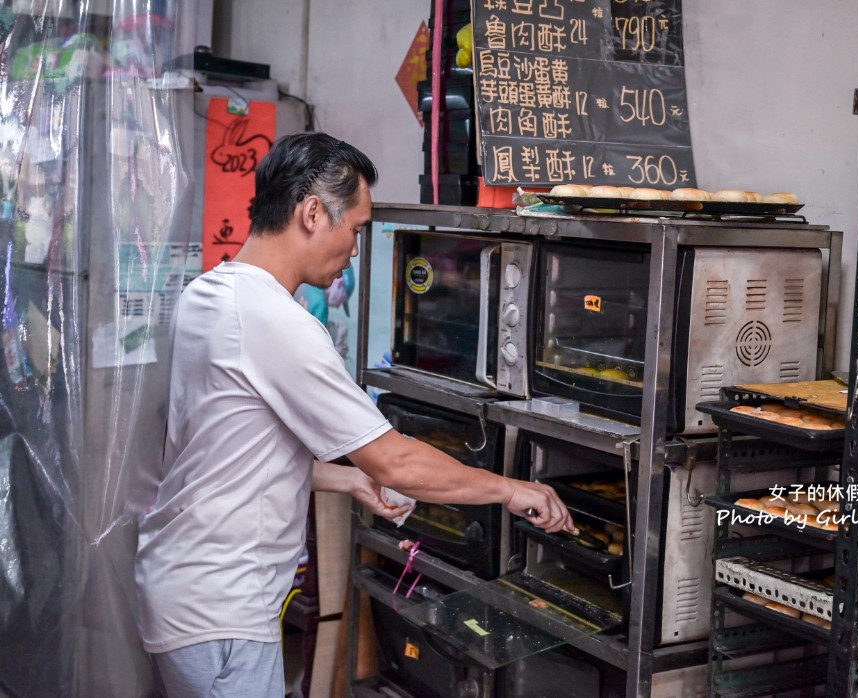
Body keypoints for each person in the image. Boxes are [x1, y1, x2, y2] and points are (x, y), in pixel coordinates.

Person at [134, 132, 573, 698]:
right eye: (357, 229)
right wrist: (512, 491)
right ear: (312, 213)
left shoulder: (209, 294)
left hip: (181, 585)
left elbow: (228, 450)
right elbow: (395, 460)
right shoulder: (275, 321)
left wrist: (345, 477)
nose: (357, 249)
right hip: (221, 605)